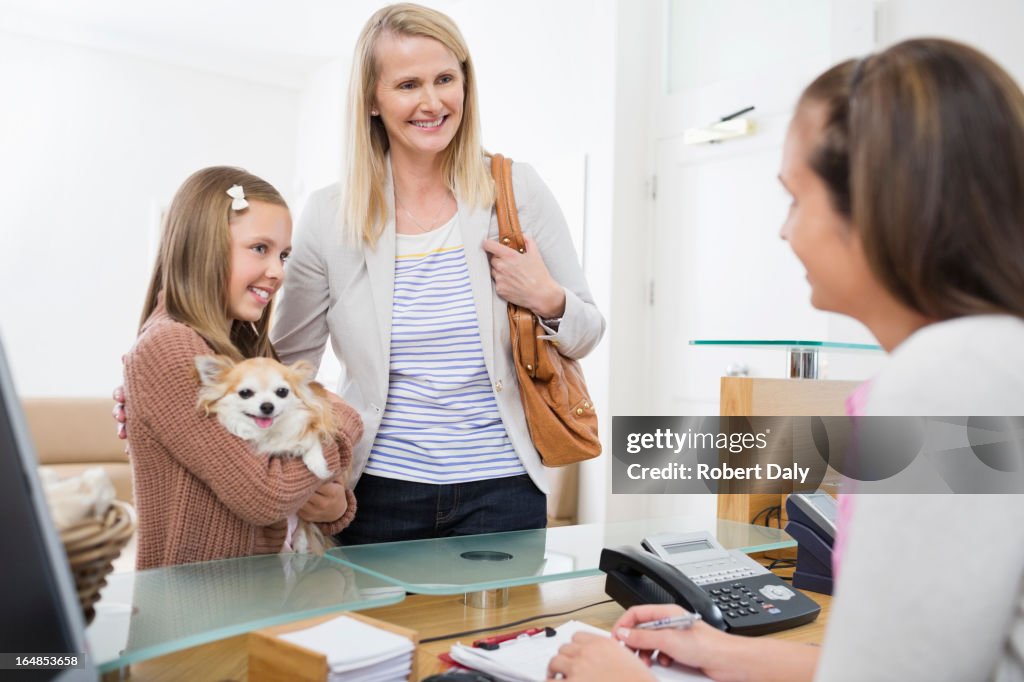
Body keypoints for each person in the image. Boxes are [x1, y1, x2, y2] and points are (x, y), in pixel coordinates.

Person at [547, 38, 1024, 682]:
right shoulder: (992, 357)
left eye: (796, 198)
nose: (784, 230)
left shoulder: (944, 381)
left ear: (878, 204)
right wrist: (720, 649)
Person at [270, 3, 605, 544]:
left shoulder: (516, 190)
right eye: (407, 85)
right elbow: (289, 368)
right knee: (386, 633)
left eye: (445, 79)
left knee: (507, 634)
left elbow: (588, 331)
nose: (432, 102)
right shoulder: (330, 216)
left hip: (505, 488)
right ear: (373, 101)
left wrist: (546, 297)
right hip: (376, 490)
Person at [123, 166, 361, 569]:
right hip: (200, 608)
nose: (278, 272)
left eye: (283, 254)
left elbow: (291, 475)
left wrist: (334, 505)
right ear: (203, 246)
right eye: (260, 249)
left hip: (259, 594)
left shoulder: (244, 349)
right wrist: (343, 420)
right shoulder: (170, 344)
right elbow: (266, 495)